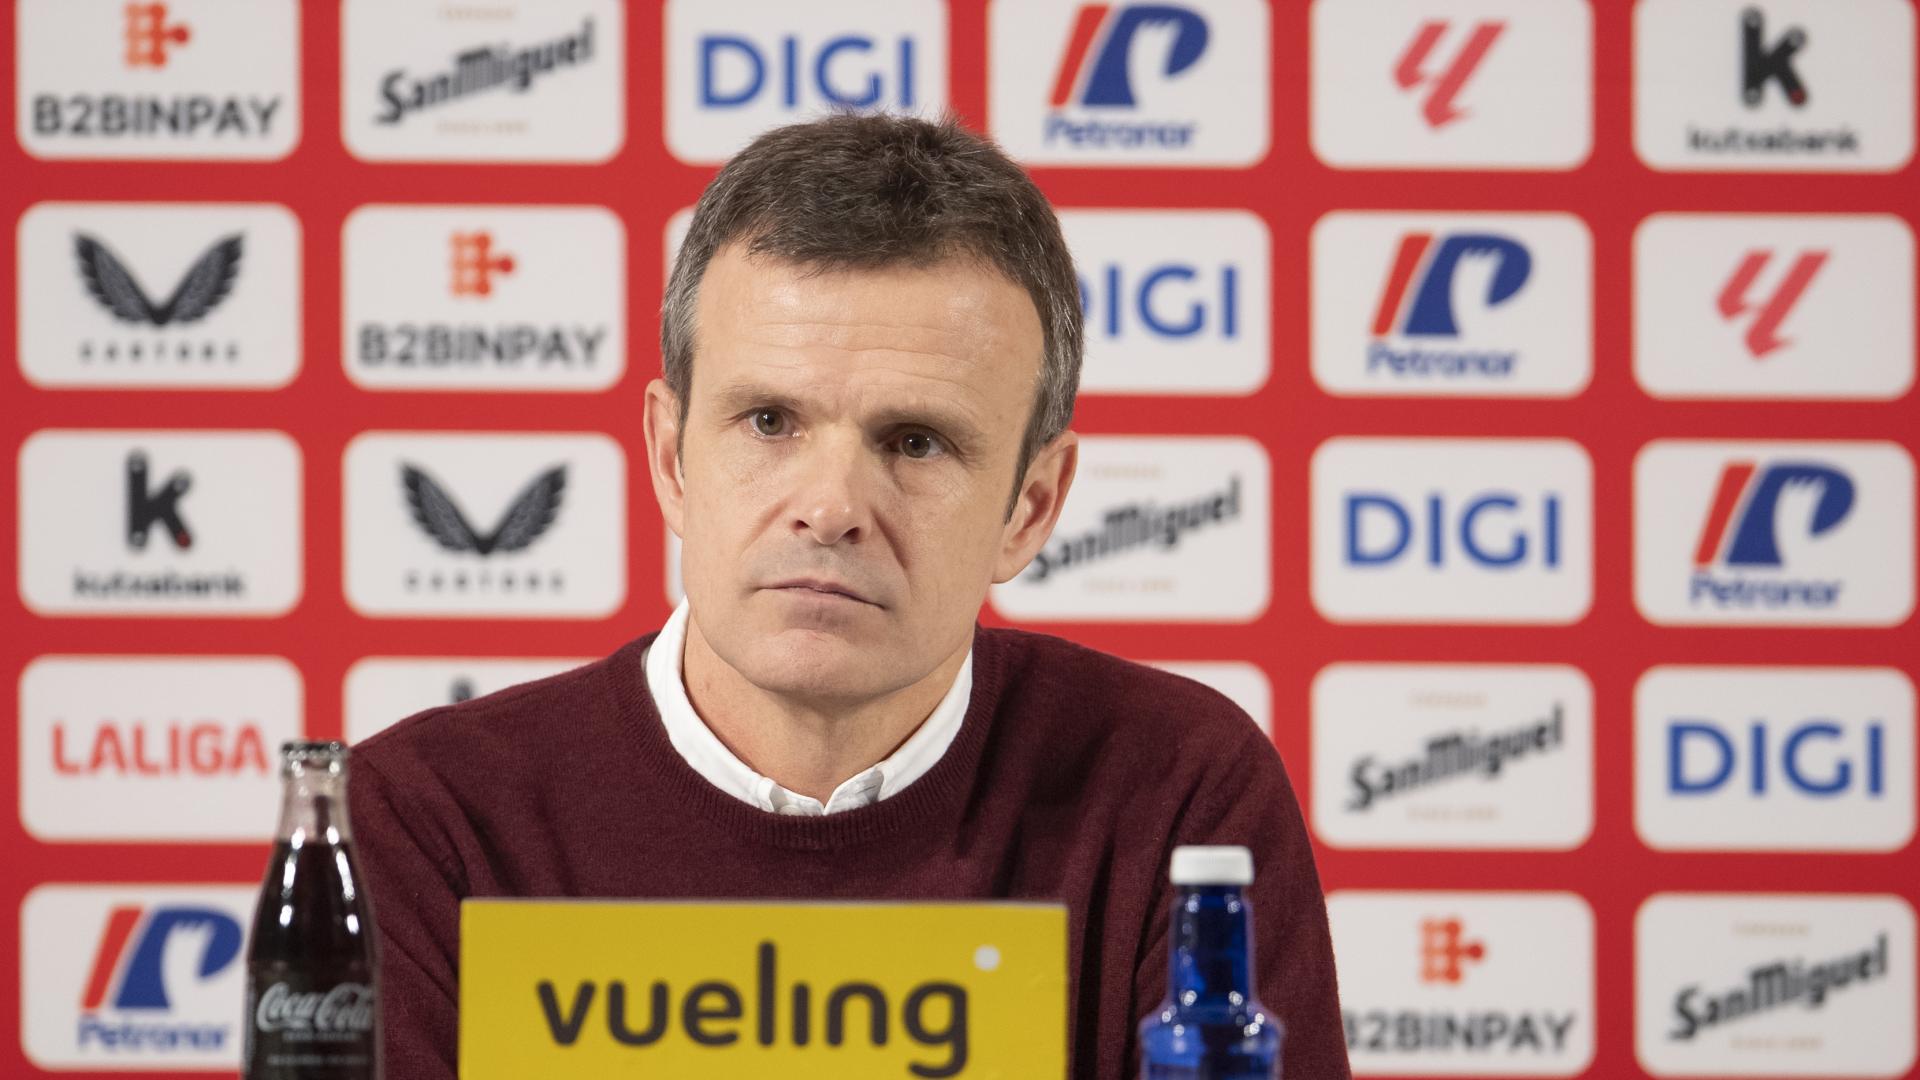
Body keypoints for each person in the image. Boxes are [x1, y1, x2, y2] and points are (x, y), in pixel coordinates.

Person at [348, 112, 1349, 1079]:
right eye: (769, 421)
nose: (830, 509)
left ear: (1031, 507)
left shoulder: (1180, 794)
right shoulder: (426, 823)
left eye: (916, 441)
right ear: (672, 459)